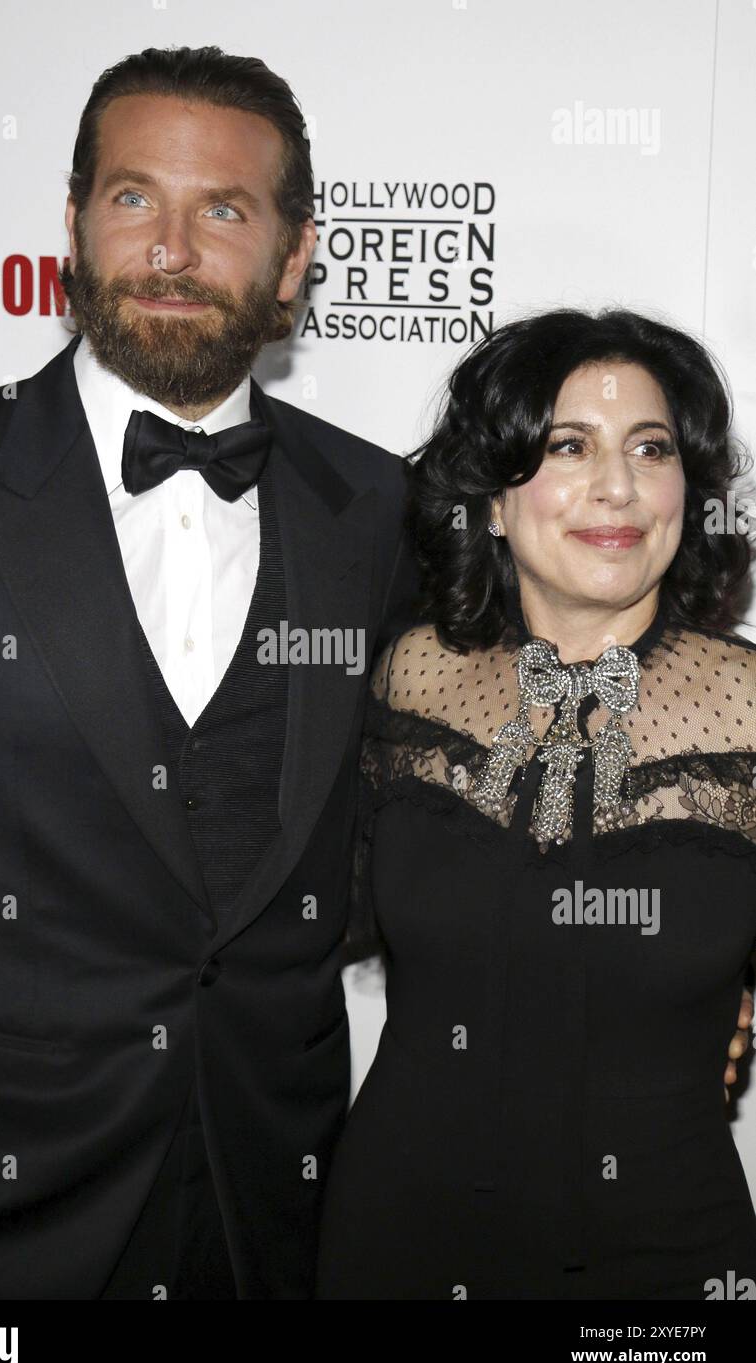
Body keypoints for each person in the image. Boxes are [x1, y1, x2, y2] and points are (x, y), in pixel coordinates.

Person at [0, 45, 415, 1299]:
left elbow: (444, 806)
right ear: (71, 224)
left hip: (272, 1203)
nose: (170, 248)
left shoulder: (375, 507)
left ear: (293, 256)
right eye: (133, 199)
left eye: (222, 210)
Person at [315, 308, 756, 1300]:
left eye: (652, 448)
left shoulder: (748, 713)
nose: (618, 487)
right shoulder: (408, 677)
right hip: (398, 1240)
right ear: (494, 501)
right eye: (569, 446)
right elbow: (296, 928)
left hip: (668, 1261)